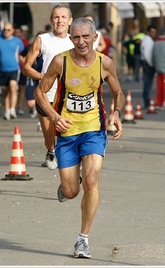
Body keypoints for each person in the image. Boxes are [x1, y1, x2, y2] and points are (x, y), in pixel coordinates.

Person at [34, 17, 125, 259]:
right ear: (70, 38)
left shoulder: (104, 63)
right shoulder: (60, 61)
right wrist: (54, 117)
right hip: (66, 132)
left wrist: (116, 113)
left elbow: (118, 92)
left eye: (86, 36)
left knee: (92, 181)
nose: (81, 41)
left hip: (94, 129)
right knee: (72, 191)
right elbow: (40, 92)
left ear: (95, 37)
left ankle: (82, 240)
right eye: (76, 37)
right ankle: (67, 185)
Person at [22, 4, 74, 170]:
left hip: (69, 96)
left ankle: (69, 165)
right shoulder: (42, 39)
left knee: (69, 134)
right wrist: (44, 77)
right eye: (56, 17)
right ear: (51, 20)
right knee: (49, 136)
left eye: (63, 17)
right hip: (45, 95)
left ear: (70, 21)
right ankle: (51, 150)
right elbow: (26, 67)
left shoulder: (75, 42)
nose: (60, 20)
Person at [0, 22, 24, 120]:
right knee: (5, 92)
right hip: (2, 69)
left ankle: (13, 110)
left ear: (13, 31)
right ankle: (7, 110)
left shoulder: (17, 41)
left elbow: (22, 54)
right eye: (4, 29)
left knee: (13, 88)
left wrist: (26, 65)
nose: (6, 32)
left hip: (14, 68)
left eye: (8, 30)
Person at [140, 24, 157, 109]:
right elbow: (147, 54)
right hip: (148, 64)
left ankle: (147, 101)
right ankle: (147, 102)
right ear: (148, 32)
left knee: (148, 84)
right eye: (152, 32)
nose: (154, 34)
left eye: (155, 32)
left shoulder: (149, 40)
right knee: (147, 84)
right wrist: (151, 64)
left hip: (147, 64)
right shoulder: (148, 41)